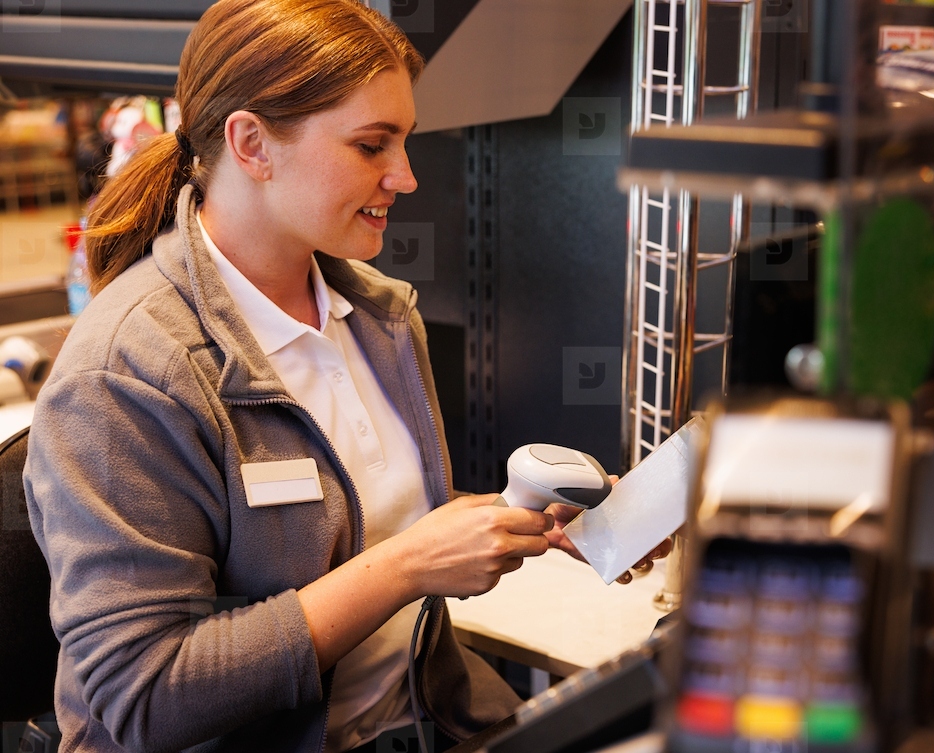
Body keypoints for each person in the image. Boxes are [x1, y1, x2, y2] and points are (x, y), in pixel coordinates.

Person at [23, 2, 666, 751]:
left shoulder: (378, 315)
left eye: (405, 142)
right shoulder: (127, 376)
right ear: (252, 143)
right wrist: (407, 568)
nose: (406, 177)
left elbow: (363, 518)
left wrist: (529, 523)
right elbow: (146, 699)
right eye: (371, 145)